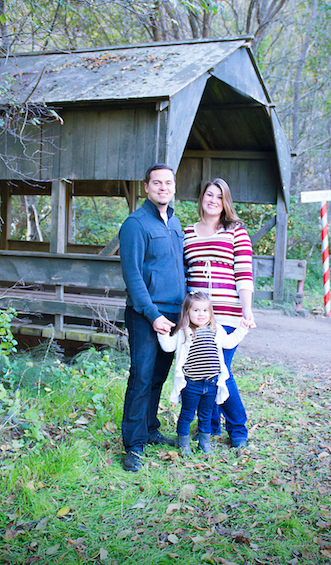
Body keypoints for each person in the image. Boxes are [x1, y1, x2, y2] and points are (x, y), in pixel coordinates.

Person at [118, 163, 186, 472]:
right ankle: (133, 444)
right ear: (146, 187)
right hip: (147, 314)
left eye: (167, 183)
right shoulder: (135, 224)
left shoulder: (175, 223)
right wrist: (152, 314)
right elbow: (132, 276)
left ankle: (150, 428)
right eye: (156, 183)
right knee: (142, 376)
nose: (162, 187)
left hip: (175, 314)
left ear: (173, 187)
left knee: (158, 376)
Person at [183, 178, 256, 448]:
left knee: (219, 371)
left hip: (226, 313)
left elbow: (244, 273)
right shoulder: (188, 232)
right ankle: (210, 426)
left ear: (225, 202)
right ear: (202, 198)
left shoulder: (235, 231)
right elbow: (183, 273)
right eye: (209, 195)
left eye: (219, 196)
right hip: (197, 315)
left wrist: (246, 310)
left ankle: (238, 428)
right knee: (201, 371)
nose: (213, 200)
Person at [158, 292, 248, 456]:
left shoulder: (217, 330)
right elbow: (169, 347)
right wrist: (163, 333)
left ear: (211, 312)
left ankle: (204, 443)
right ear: (187, 312)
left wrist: (242, 329)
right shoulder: (184, 331)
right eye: (196, 310)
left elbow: (229, 342)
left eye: (205, 311)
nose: (201, 314)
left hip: (212, 383)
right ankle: (184, 444)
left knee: (206, 415)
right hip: (191, 384)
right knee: (187, 414)